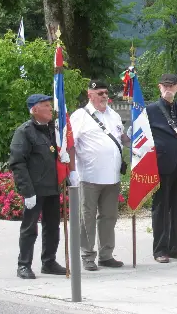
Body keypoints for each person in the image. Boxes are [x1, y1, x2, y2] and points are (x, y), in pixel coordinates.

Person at [9, 94, 73, 279]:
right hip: (35, 190)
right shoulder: (25, 132)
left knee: (52, 227)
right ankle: (24, 264)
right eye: (46, 105)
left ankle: (49, 262)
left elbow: (57, 155)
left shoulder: (53, 130)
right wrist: (27, 191)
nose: (50, 108)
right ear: (35, 109)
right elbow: (17, 163)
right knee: (30, 228)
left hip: (52, 187)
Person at [70, 80, 126, 271]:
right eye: (99, 93)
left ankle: (106, 254)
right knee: (87, 219)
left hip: (112, 177)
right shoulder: (80, 117)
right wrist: (71, 170)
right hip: (89, 177)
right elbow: (71, 145)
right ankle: (87, 256)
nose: (104, 96)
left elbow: (122, 138)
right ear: (90, 95)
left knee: (109, 217)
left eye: (105, 93)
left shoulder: (114, 115)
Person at [146, 73, 177, 263]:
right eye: (165, 85)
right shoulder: (150, 110)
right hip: (160, 165)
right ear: (159, 87)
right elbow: (141, 137)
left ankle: (175, 247)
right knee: (161, 208)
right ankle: (160, 250)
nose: (168, 89)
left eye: (172, 86)